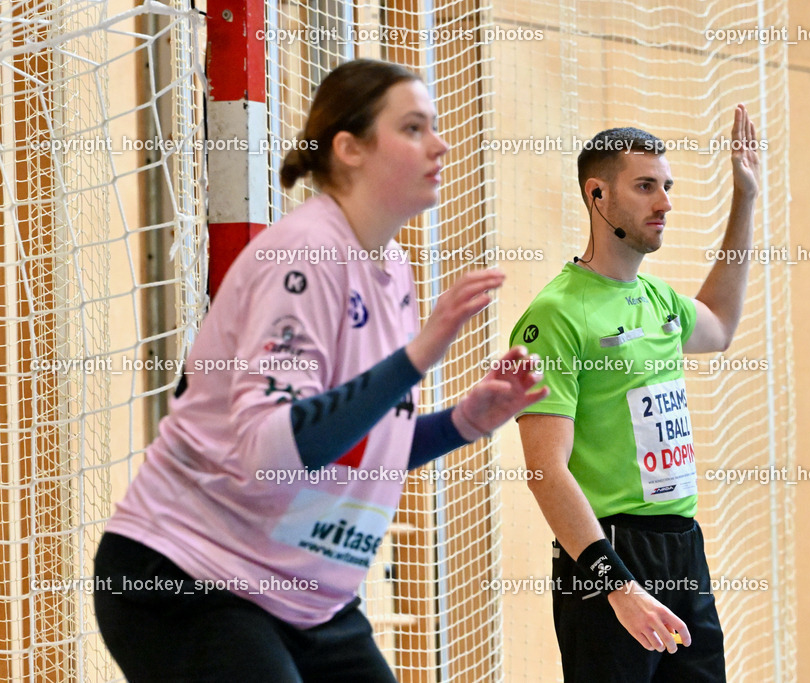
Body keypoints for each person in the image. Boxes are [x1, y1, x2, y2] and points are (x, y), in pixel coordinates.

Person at [93, 58, 547, 682]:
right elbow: (270, 451)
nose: (439, 144)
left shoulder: (392, 269)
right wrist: (417, 357)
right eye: (414, 128)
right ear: (350, 148)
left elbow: (352, 451)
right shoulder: (303, 256)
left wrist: (464, 422)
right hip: (191, 578)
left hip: (309, 603)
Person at [511, 107, 760, 682]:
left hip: (681, 547)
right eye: (646, 186)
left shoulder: (657, 299)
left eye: (667, 186)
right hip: (608, 554)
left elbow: (719, 325)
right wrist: (617, 586)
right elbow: (545, 470)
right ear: (598, 196)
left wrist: (744, 198)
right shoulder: (554, 315)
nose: (665, 202)